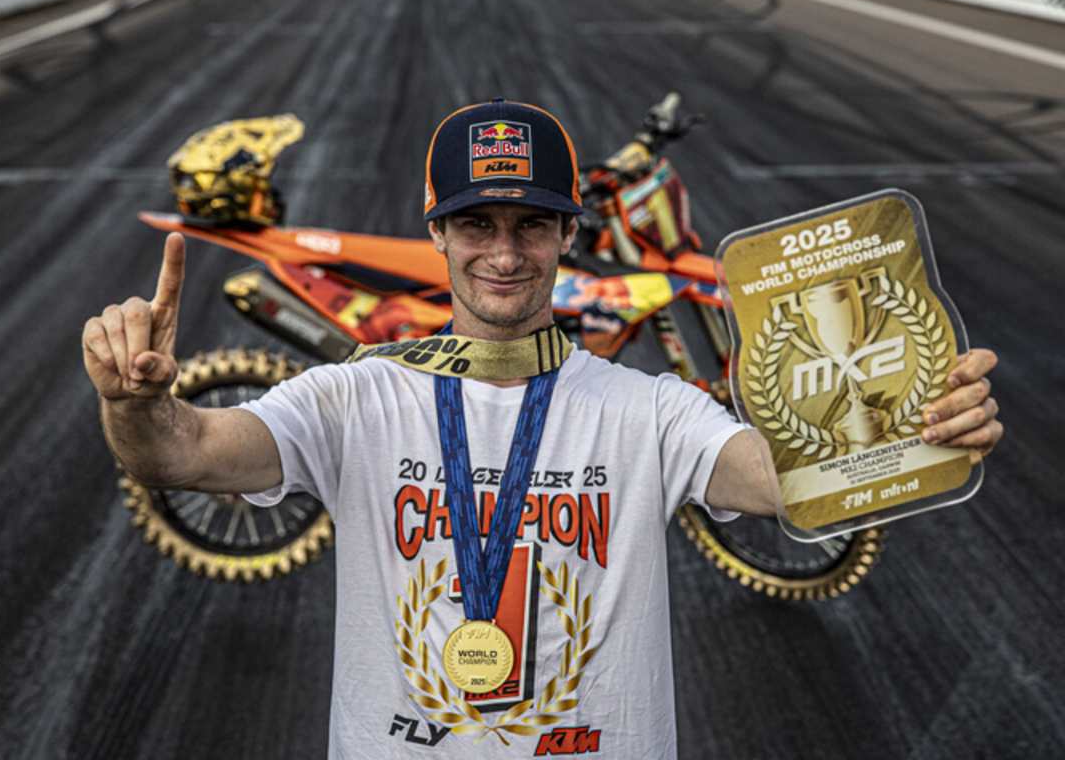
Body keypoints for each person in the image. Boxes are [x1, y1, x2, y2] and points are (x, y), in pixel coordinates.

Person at [82, 99, 1003, 759]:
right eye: (477, 222)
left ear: (568, 235)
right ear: (437, 232)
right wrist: (135, 406)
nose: (505, 251)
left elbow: (777, 478)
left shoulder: (649, 409)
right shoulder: (353, 398)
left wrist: (918, 425)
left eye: (534, 223)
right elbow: (184, 454)